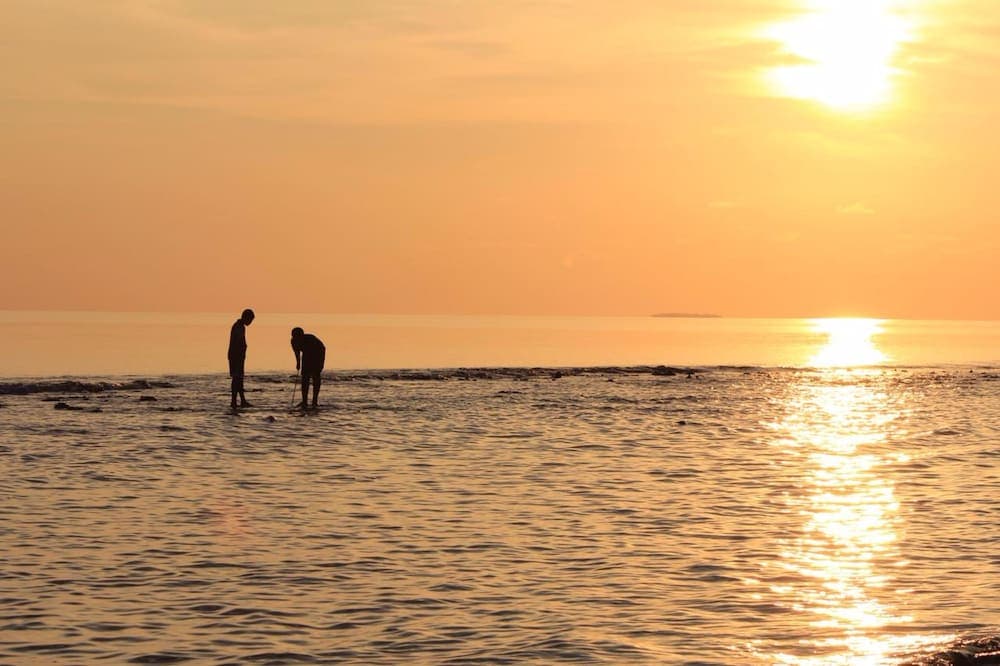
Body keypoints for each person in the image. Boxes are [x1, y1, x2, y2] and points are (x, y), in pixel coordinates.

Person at [291, 327, 326, 409]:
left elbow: (321, 349)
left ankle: (314, 401)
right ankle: (304, 401)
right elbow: (297, 353)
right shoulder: (293, 341)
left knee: (316, 376)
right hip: (307, 354)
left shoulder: (310, 339)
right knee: (305, 378)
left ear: (302, 335)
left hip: (318, 352)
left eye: (298, 336)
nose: (296, 338)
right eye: (294, 336)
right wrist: (298, 363)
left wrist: (320, 363)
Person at [228, 308, 255, 408]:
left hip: (238, 355)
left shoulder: (240, 326)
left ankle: (242, 400)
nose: (250, 322)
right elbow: (239, 341)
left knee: (239, 378)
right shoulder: (238, 327)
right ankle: (234, 401)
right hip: (236, 356)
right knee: (236, 378)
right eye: (250, 320)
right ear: (246, 318)